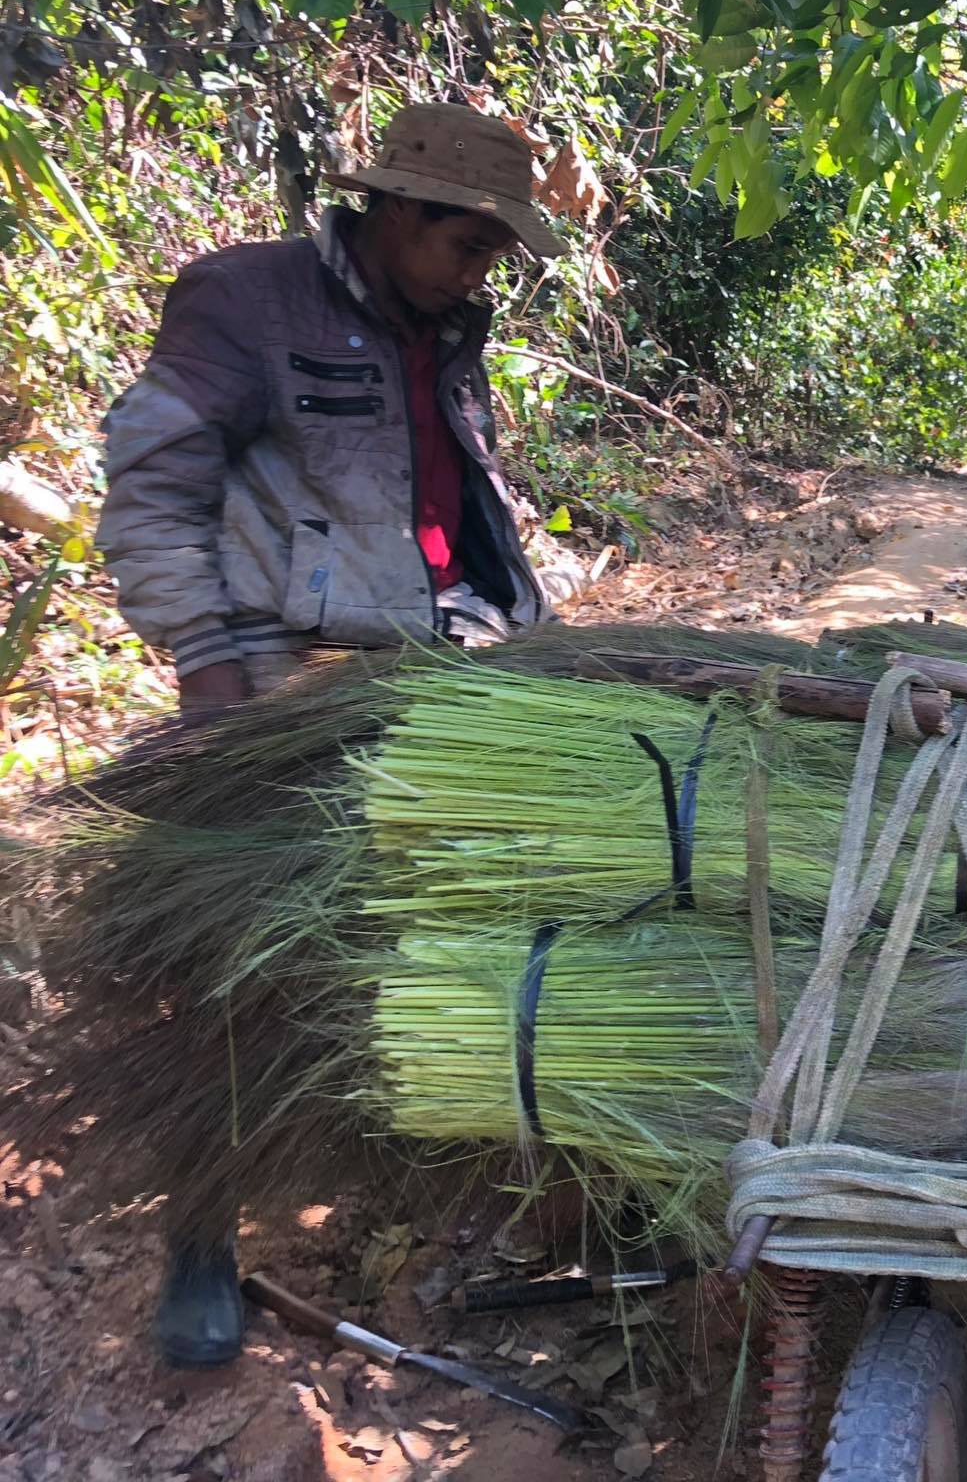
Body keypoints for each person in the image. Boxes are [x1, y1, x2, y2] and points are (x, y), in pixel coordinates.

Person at [95, 101, 567, 1366]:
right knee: (233, 964)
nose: (481, 276)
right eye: (468, 245)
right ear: (399, 213)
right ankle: (199, 1238)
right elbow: (149, 485)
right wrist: (204, 666)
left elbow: (435, 496)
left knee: (451, 905)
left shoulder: (441, 321)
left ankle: (403, 1149)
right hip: (273, 668)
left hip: (425, 655)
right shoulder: (247, 304)